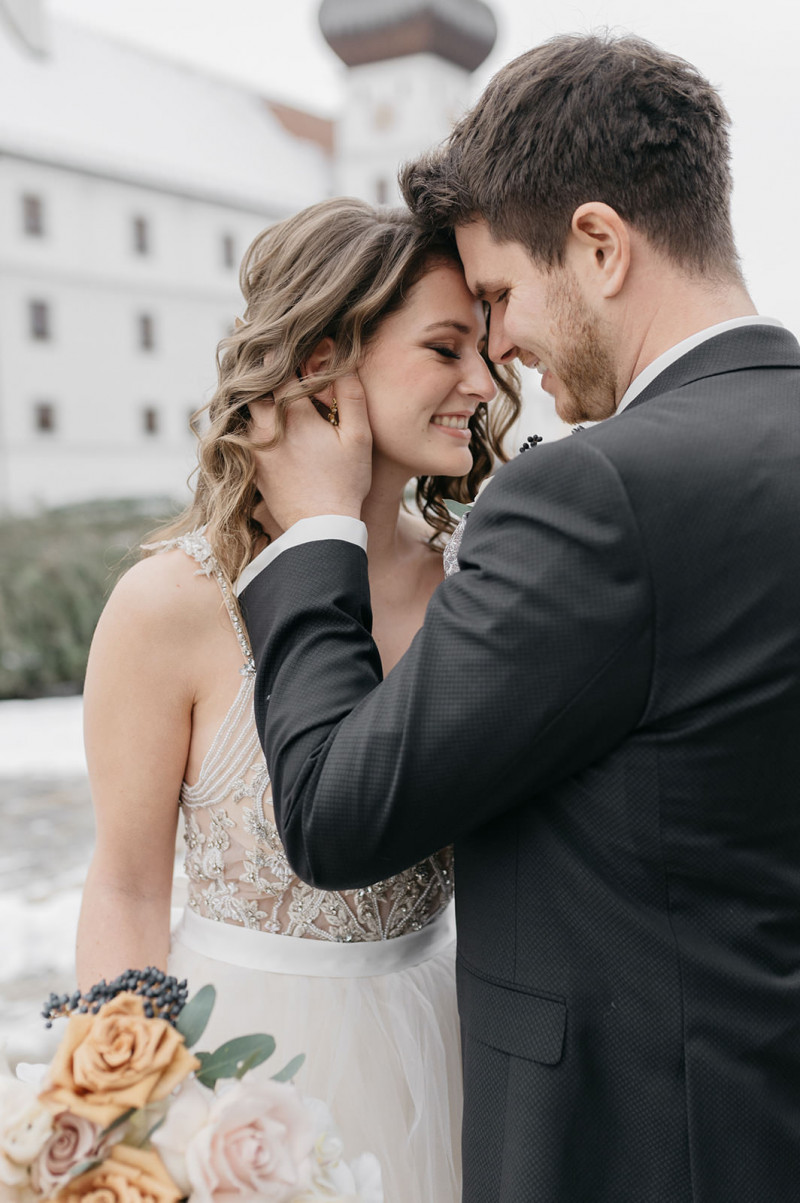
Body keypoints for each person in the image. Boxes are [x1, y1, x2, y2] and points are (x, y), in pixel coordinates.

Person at [236, 34, 800, 1203]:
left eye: (495, 297)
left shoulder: (594, 491)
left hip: (632, 1146)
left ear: (597, 245)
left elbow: (340, 817)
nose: (499, 354)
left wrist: (310, 537)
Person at [76, 196, 521, 1203]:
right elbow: (127, 888)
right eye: (445, 349)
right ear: (325, 362)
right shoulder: (169, 605)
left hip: (444, 1044)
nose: (482, 383)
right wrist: (124, 1119)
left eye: (485, 351)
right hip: (239, 1067)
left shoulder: (481, 593)